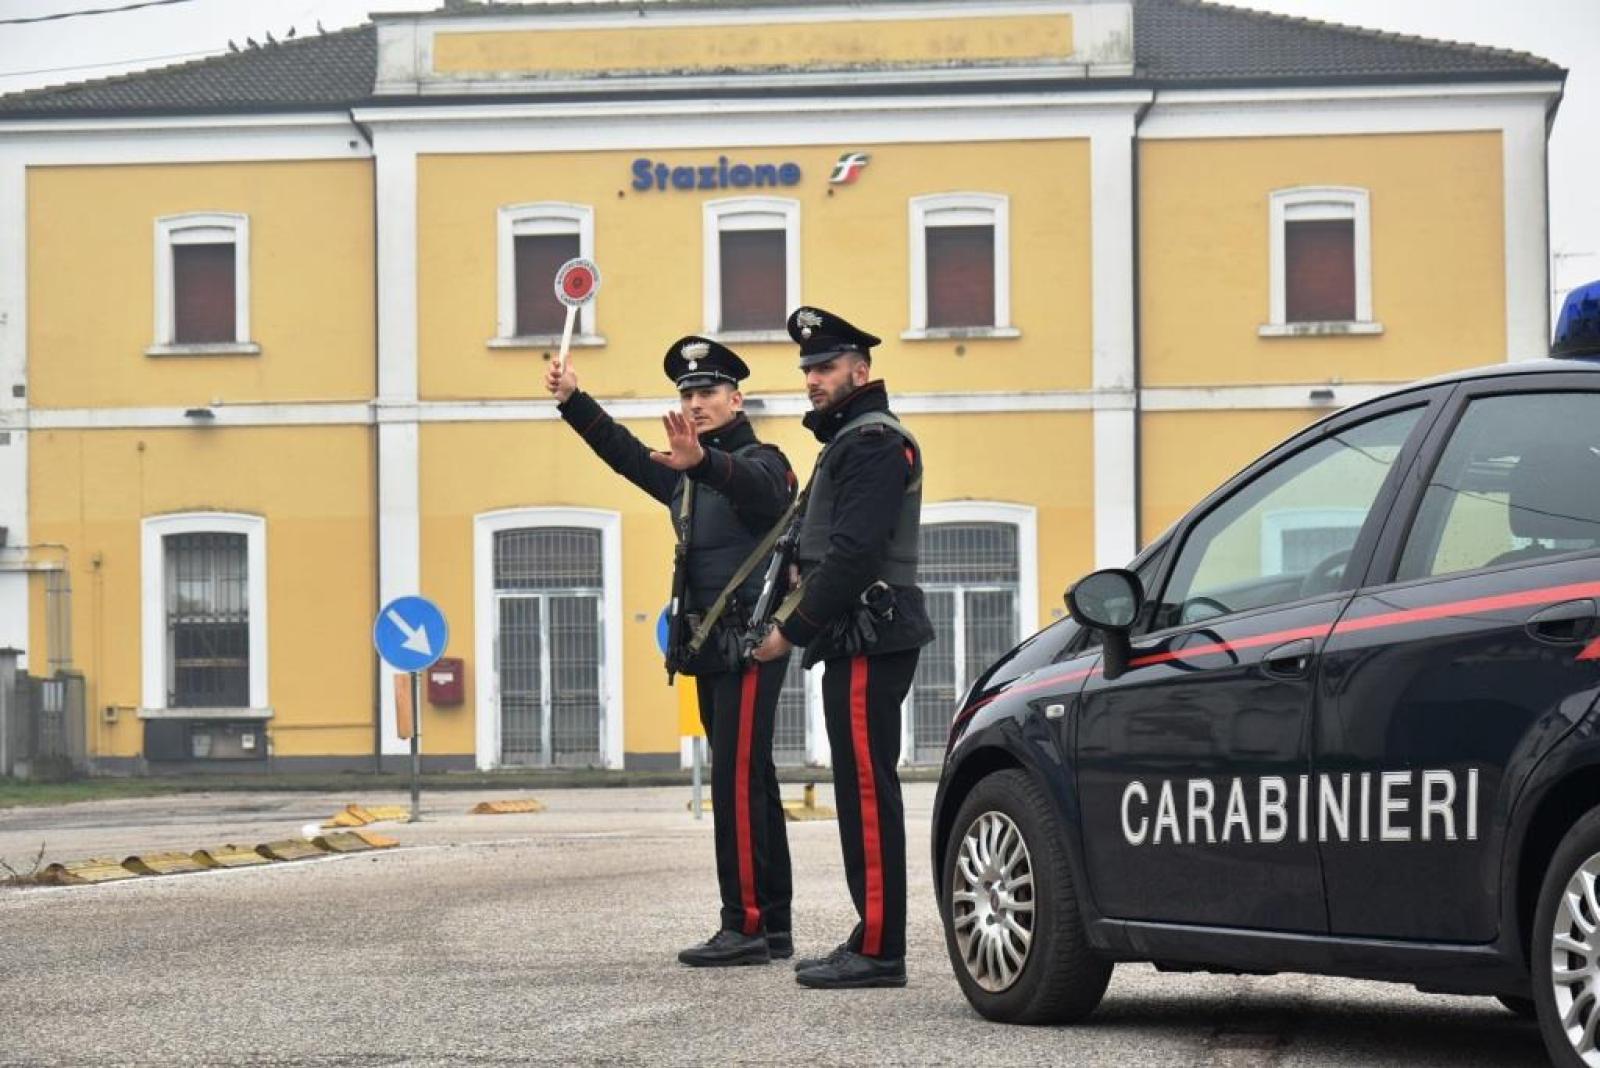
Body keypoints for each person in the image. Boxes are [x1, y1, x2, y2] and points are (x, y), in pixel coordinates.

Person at [546, 337, 796, 967]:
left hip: (749, 644)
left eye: (707, 392)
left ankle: (743, 927)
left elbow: (762, 494)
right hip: (709, 647)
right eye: (686, 394)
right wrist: (575, 401)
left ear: (736, 399)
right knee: (752, 783)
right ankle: (773, 924)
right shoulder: (687, 476)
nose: (695, 402)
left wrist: (700, 463)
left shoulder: (763, 461)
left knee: (738, 786)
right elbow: (625, 454)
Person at [748, 306, 934, 989]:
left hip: (868, 630)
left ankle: (882, 949)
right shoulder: (852, 438)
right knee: (859, 789)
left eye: (825, 367)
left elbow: (857, 554)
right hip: (855, 631)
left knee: (865, 789)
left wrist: (788, 633)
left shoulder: (874, 442)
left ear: (861, 369)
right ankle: (870, 929)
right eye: (807, 370)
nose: (812, 380)